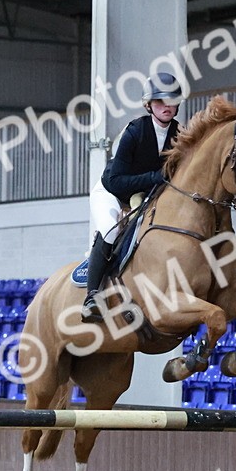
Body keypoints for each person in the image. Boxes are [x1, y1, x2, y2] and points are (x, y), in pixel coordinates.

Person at [80, 72, 183, 323]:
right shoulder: (135, 131)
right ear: (149, 105)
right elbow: (116, 180)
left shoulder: (180, 134)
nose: (166, 107)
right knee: (110, 230)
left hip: (143, 196)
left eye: (171, 102)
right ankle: (91, 296)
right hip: (112, 193)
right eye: (160, 102)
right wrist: (152, 178)